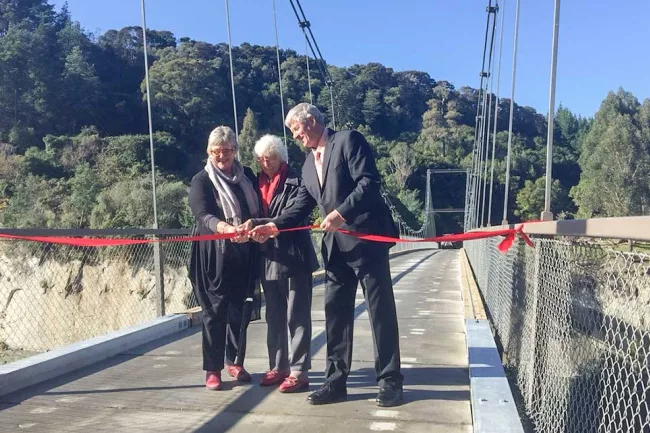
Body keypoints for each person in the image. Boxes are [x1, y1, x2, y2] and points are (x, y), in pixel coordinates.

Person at [250, 103, 404, 407]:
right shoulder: (308, 165)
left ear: (311, 121)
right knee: (336, 316)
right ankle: (335, 382)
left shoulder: (348, 140)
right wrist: (269, 225)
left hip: (366, 242)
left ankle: (389, 381)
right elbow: (299, 208)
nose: (295, 136)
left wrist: (341, 213)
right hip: (335, 249)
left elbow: (369, 183)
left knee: (380, 313)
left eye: (296, 128)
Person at [242, 134, 319, 393]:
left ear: (282, 157)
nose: (266, 163)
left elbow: (295, 213)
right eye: (261, 159)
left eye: (271, 158)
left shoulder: (299, 180)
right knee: (273, 315)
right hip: (268, 256)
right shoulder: (253, 182)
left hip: (294, 255)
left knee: (297, 315)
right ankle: (278, 366)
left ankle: (299, 370)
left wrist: (260, 224)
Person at [188, 125, 261, 391]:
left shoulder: (248, 177)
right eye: (217, 152)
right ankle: (213, 368)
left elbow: (261, 207)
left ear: (235, 151)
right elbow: (202, 215)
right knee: (214, 311)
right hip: (213, 254)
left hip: (245, 250)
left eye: (227, 151)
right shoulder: (201, 180)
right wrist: (226, 229)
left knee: (240, 309)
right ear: (209, 151)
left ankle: (235, 361)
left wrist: (253, 227)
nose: (222, 157)